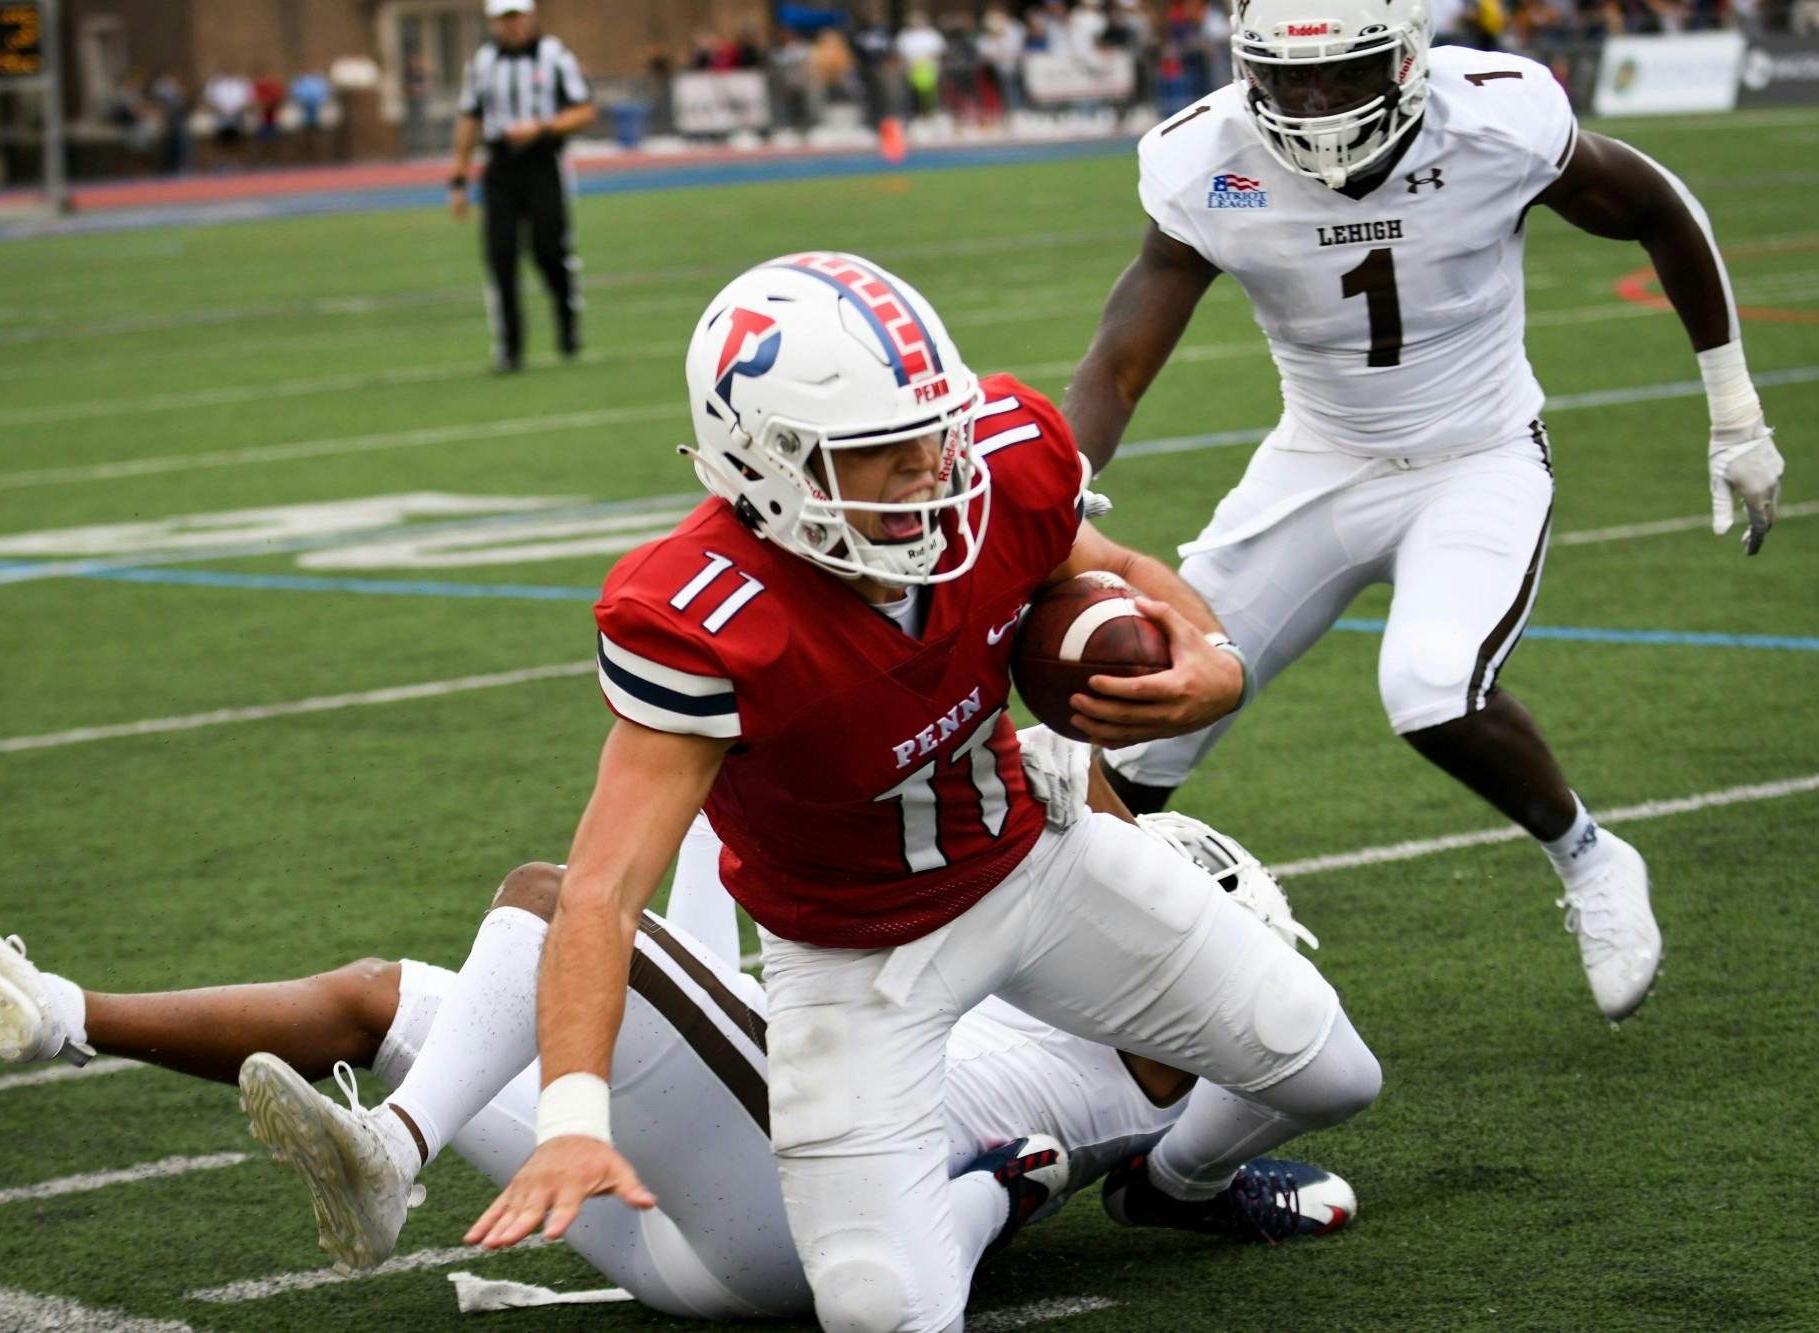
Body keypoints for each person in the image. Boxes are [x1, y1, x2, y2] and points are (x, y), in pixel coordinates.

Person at [312, 251, 1381, 1333]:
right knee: (881, 1314)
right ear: (764, 464)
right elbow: (597, 891)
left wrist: (1217, 658)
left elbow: (1113, 566)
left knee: (1332, 1071)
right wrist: (574, 1113)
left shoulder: (999, 464)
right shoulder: (705, 612)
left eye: (936, 429)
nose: (930, 467)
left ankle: (1171, 1187)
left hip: (1036, 866)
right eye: (880, 450)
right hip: (849, 956)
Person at [0, 812, 1356, 1322]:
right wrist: (1244, 1191)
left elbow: (1061, 1165)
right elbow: (1184, 1165)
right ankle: (56, 1007)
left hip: (796, 1207)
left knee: (553, 904)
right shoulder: (1135, 1067)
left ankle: (390, 1146)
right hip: (710, 1219)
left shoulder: (1102, 1060)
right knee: (392, 991)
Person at [1062, 0, 1787, 1026]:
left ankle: (1585, 853)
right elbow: (1119, 359)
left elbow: (1659, 208)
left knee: (1429, 686)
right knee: (1137, 725)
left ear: (1406, 58)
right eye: (1286, 76)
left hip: (1475, 457)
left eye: (1341, 72)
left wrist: (1734, 411)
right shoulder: (1204, 158)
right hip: (1312, 464)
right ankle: (1107, 989)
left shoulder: (1495, 119)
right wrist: (1052, 489)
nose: (1310, 101)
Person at [448, 0, 597, 374]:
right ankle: (510, 349)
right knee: (500, 256)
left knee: (549, 249)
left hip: (542, 161)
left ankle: (567, 319)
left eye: (516, 16)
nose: (511, 25)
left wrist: (542, 128)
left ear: (529, 16)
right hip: (500, 165)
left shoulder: (554, 54)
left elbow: (584, 110)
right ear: (492, 21)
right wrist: (459, 176)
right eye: (504, 18)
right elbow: (469, 116)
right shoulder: (482, 62)